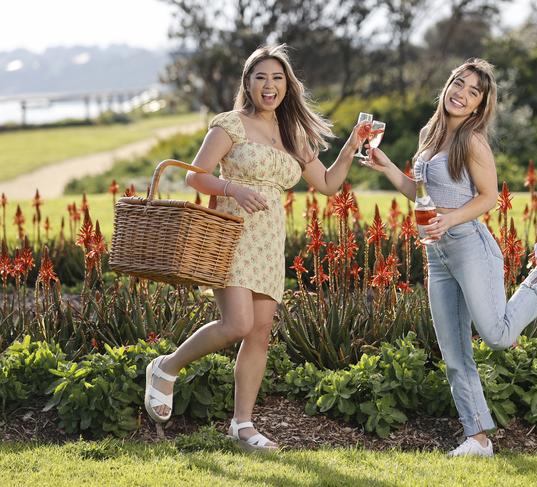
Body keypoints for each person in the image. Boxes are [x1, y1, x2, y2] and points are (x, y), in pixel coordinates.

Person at [363, 58, 537, 457]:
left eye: (473, 92)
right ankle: (478, 438)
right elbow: (422, 196)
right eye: (459, 83)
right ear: (448, 85)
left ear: (478, 107)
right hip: (439, 254)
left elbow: (488, 197)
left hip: (471, 245)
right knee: (454, 353)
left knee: (498, 336)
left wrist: (448, 219)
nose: (462, 94)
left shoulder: (471, 140)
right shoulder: (429, 133)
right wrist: (387, 168)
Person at [144, 44, 370, 451]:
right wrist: (233, 187)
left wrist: (352, 144)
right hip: (231, 234)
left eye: (278, 78)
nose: (270, 85)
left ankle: (242, 425)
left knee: (261, 333)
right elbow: (196, 178)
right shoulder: (230, 124)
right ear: (247, 83)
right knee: (238, 325)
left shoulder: (294, 135)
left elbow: (327, 184)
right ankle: (165, 367)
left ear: (288, 85)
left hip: (269, 240)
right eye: (261, 77)